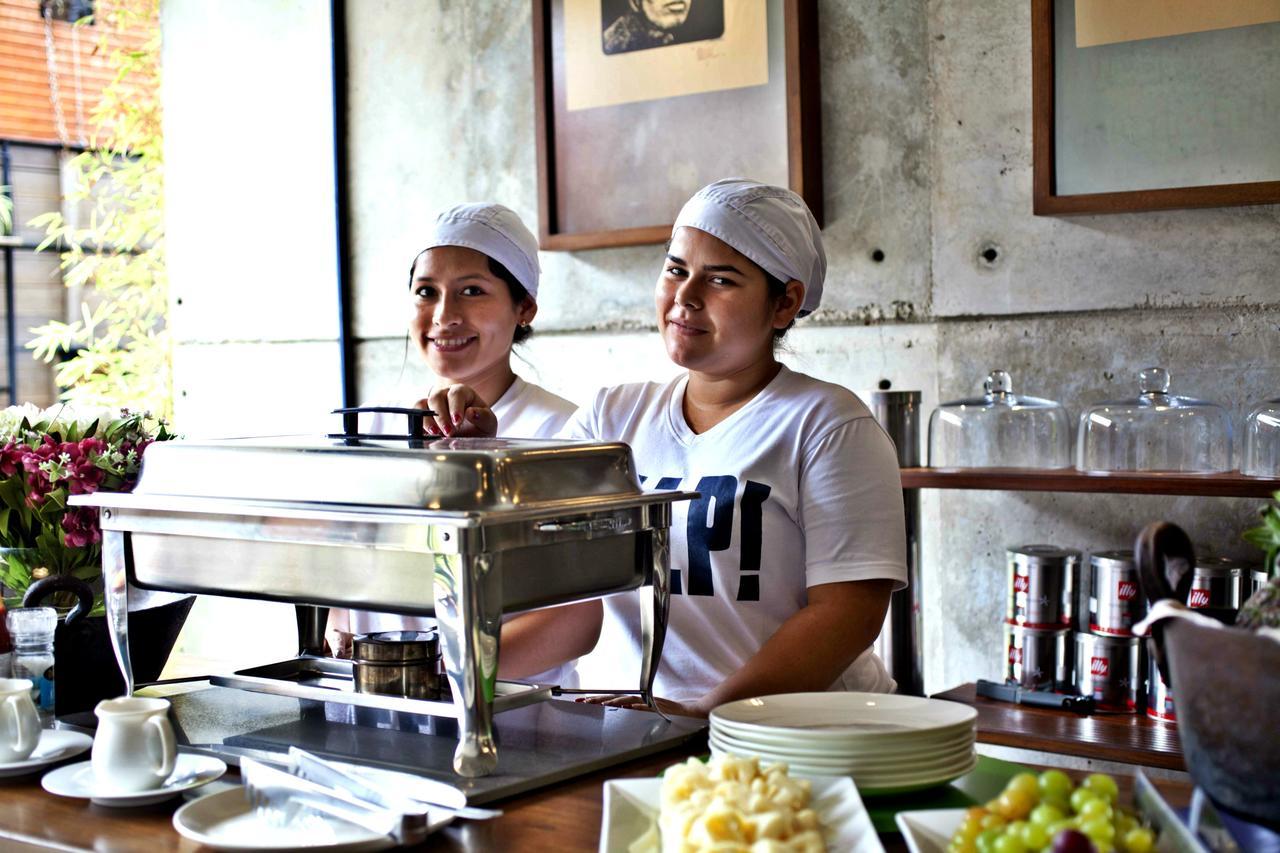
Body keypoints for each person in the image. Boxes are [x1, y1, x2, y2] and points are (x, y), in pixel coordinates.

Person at [429, 179, 907, 717]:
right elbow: (571, 603)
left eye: (721, 279)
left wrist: (707, 713)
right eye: (676, 270)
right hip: (640, 733)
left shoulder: (829, 426)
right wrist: (479, 454)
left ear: (785, 303)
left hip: (800, 734)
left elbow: (848, 614)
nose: (685, 297)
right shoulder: (612, 418)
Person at [327, 203, 599, 688]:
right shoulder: (373, 429)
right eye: (426, 292)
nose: (445, 316)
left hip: (513, 720)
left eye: (472, 292)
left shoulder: (563, 432)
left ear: (525, 307)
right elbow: (352, 575)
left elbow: (573, 620)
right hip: (379, 710)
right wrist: (342, 623)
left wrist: (438, 678)